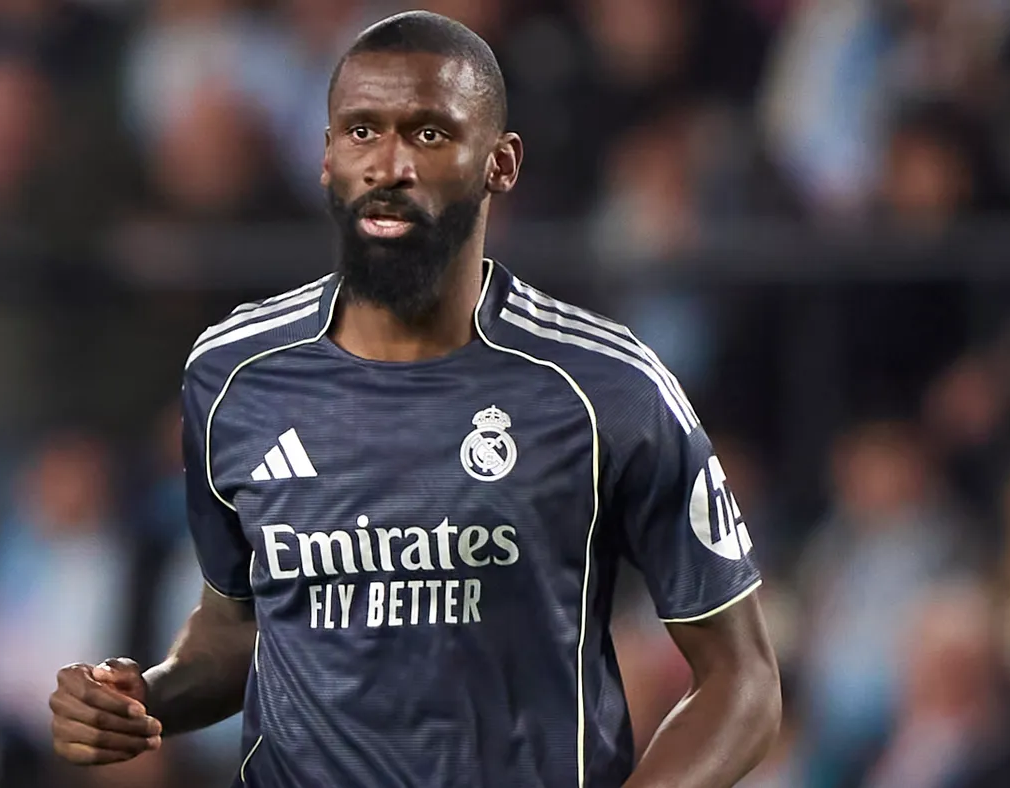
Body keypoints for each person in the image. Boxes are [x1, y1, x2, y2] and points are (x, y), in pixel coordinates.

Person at [49, 11, 780, 787]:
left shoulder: (605, 387)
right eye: (361, 131)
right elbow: (237, 629)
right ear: (326, 156)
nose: (389, 163)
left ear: (501, 163)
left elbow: (744, 681)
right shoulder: (234, 375)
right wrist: (142, 697)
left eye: (428, 134)